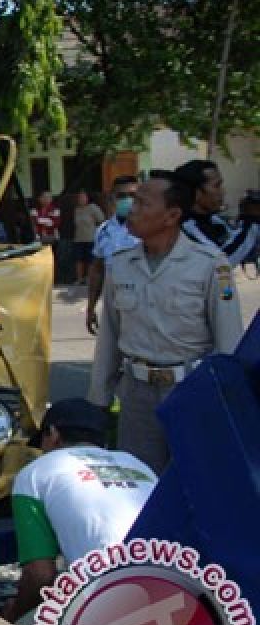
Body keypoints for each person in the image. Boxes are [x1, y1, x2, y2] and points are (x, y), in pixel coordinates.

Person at [88, 170, 244, 474]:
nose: (131, 209)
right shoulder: (120, 264)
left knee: (193, 484)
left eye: (142, 203)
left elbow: (228, 343)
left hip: (190, 392)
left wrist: (225, 405)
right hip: (136, 395)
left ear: (171, 215)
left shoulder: (209, 264)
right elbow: (108, 337)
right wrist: (99, 399)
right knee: (137, 485)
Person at [1, 398, 156, 624]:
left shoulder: (34, 474)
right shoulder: (137, 464)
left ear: (53, 434)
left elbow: (40, 576)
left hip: (112, 602)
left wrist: (13, 615)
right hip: (175, 586)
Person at [174, 159, 257, 267]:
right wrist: (250, 220)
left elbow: (245, 251)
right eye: (217, 186)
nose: (223, 191)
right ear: (197, 192)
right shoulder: (184, 227)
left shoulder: (214, 220)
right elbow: (220, 263)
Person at [86, 175, 140, 335]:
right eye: (121, 196)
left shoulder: (150, 229)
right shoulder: (103, 231)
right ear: (112, 199)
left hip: (145, 307)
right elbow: (97, 270)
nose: (127, 200)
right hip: (114, 305)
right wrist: (91, 307)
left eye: (132, 195)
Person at [71, 190, 105, 286]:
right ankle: (79, 279)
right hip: (78, 239)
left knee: (90, 260)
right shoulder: (76, 210)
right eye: (79, 197)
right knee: (79, 260)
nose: (81, 199)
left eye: (83, 197)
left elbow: (101, 219)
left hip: (91, 238)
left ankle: (89, 279)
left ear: (87, 198)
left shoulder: (93, 208)